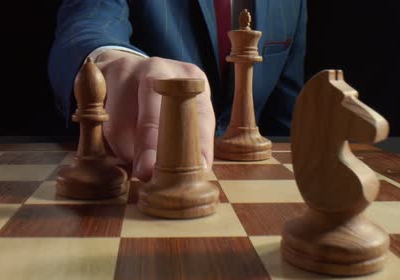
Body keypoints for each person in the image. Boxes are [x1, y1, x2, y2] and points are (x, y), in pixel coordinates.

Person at [48, 0, 307, 181]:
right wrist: (111, 63)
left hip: (254, 189)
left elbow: (286, 122)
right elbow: (88, 24)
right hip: (135, 180)